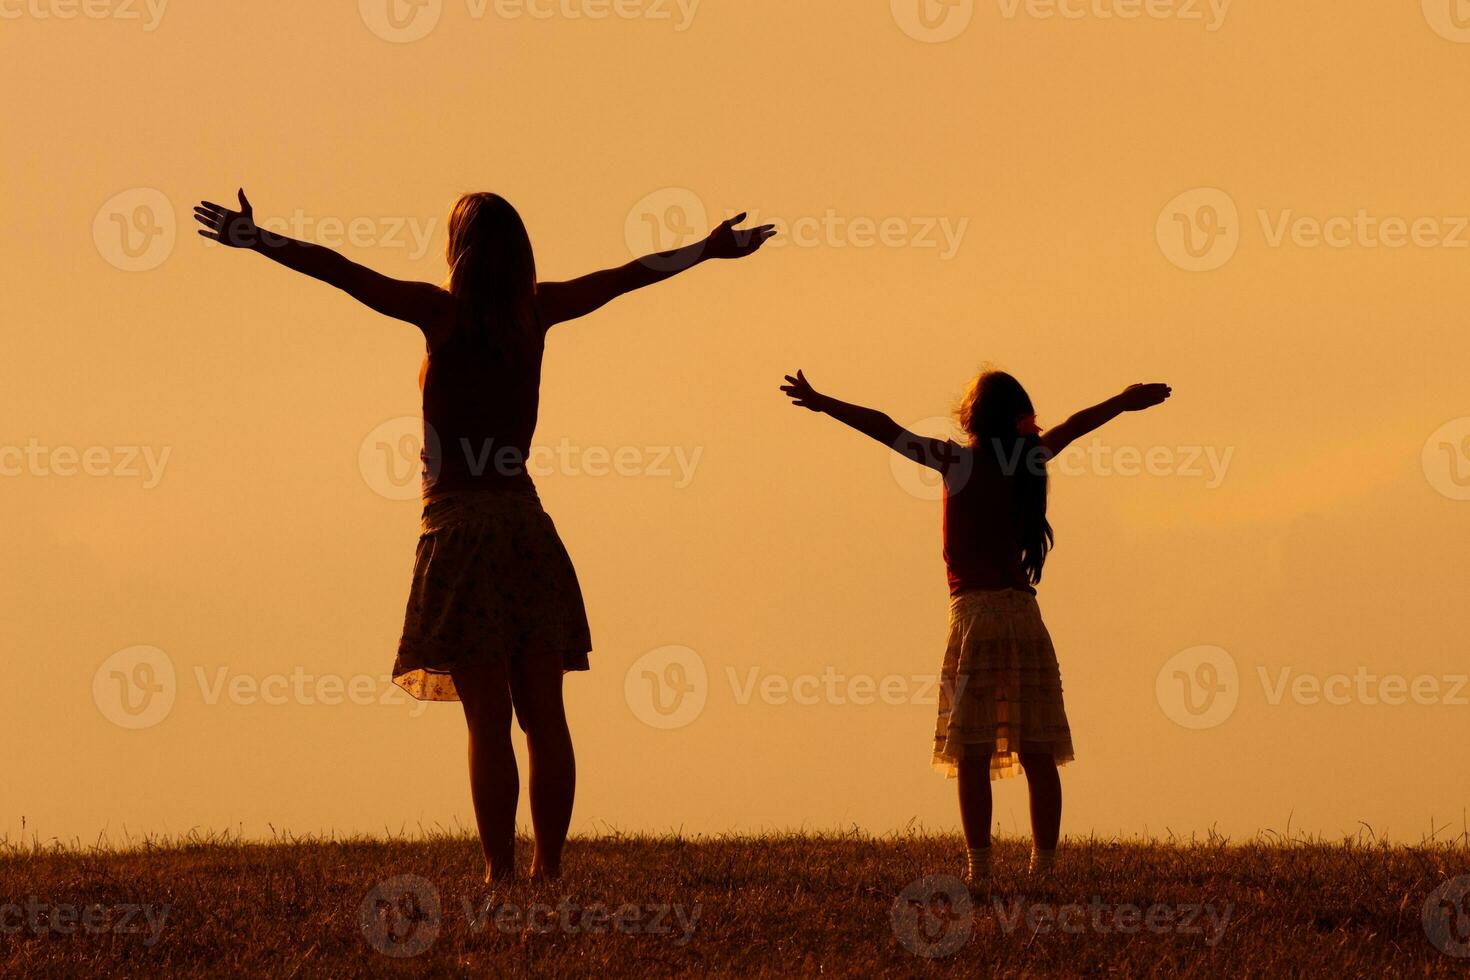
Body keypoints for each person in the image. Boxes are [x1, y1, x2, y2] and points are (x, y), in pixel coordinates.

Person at [195, 189, 775, 881]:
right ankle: (547, 869)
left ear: (458, 250)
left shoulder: (439, 313)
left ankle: (501, 873)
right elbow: (628, 275)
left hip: (459, 531)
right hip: (528, 528)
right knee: (545, 716)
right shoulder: (538, 312)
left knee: (488, 722)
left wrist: (260, 240)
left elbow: (342, 271)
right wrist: (706, 250)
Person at [780, 367, 1171, 883]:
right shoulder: (1026, 460)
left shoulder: (955, 462)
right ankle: (1045, 867)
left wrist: (823, 401)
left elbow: (884, 426)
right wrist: (1123, 400)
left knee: (972, 751)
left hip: (976, 618)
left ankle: (980, 869)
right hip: (1024, 616)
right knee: (1038, 749)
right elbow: (1074, 425)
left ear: (972, 417)